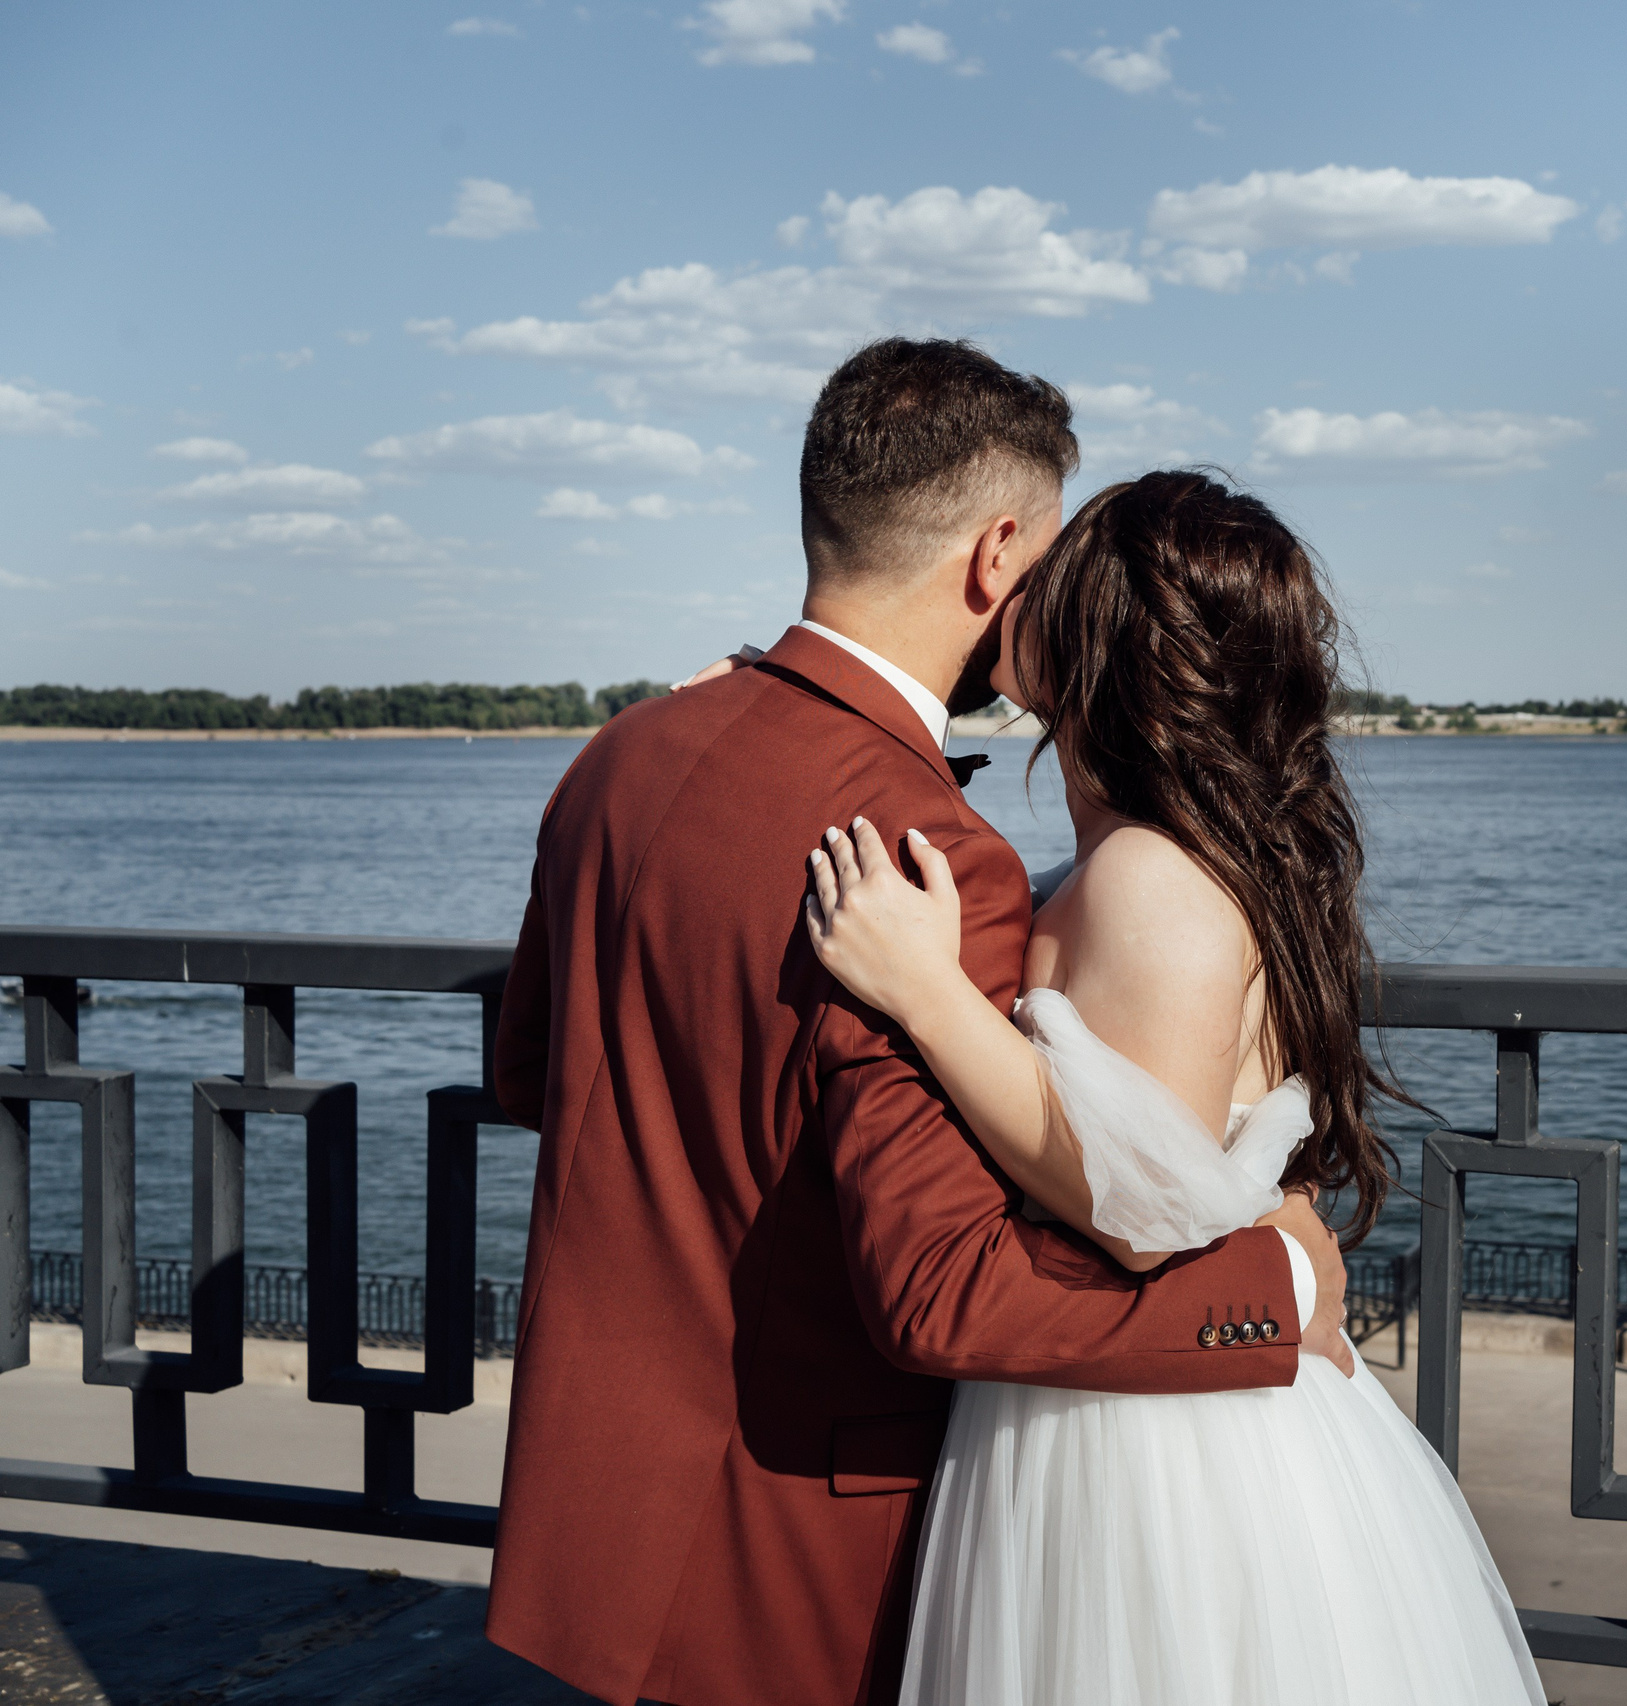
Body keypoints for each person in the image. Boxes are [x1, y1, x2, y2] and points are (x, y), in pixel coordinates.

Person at [486, 339, 1351, 1706]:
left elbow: (536, 1074)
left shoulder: (618, 756)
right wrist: (1279, 1291)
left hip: (599, 1517)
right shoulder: (929, 852)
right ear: (998, 549)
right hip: (810, 1551)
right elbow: (942, 1288)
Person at [796, 470, 1547, 1706]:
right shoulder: (1158, 851)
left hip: (1149, 1447)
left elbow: (1140, 1202)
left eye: (1059, 567)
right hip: (1114, 1397)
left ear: (1103, 627)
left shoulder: (1150, 874)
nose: (1015, 585)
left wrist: (923, 991)